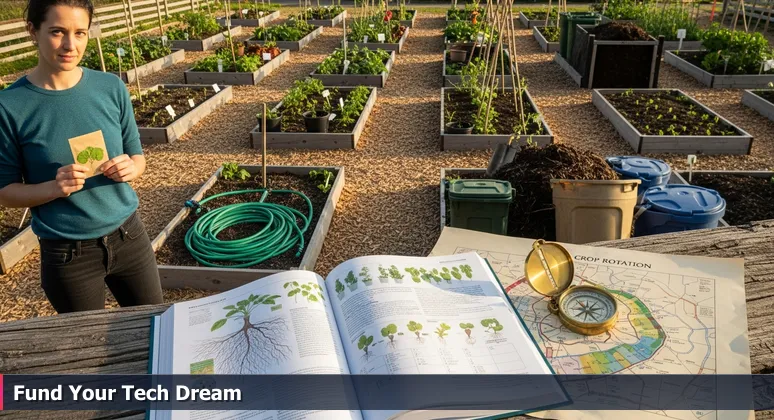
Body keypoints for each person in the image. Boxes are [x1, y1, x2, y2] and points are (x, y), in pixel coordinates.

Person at [0, 0, 164, 313]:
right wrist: (54, 188)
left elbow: (137, 157)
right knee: (86, 345)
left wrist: (131, 167)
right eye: (57, 32)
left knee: (153, 326)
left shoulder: (110, 87)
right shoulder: (10, 107)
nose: (70, 45)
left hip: (129, 236)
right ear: (32, 30)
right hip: (68, 255)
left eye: (80, 33)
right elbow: (5, 192)